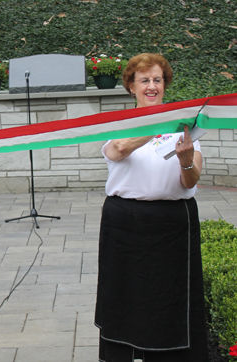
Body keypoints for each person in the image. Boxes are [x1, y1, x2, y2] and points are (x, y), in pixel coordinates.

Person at [94, 53, 209, 362]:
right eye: (144, 80)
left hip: (172, 224)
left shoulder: (184, 127)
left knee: (169, 302)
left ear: (165, 84)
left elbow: (191, 180)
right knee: (124, 298)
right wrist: (161, 124)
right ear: (131, 87)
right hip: (125, 224)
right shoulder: (119, 124)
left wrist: (186, 162)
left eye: (157, 80)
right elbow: (119, 149)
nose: (152, 86)